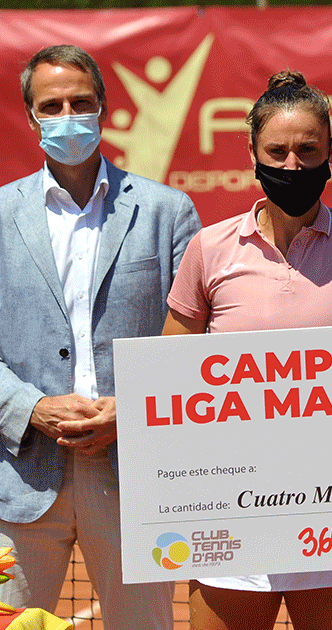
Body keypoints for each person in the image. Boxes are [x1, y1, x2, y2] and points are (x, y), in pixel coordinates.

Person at [162, 70, 332, 630]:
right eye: (277, 151)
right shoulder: (209, 249)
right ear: (251, 152)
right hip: (228, 508)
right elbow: (168, 378)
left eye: (308, 149)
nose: (293, 165)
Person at [0, 45, 201, 628]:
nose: (68, 115)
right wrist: (32, 407)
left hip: (135, 473)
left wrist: (133, 410)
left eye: (80, 102)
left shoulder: (168, 212)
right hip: (20, 475)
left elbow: (190, 343)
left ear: (105, 109)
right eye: (52, 105)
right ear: (32, 117)